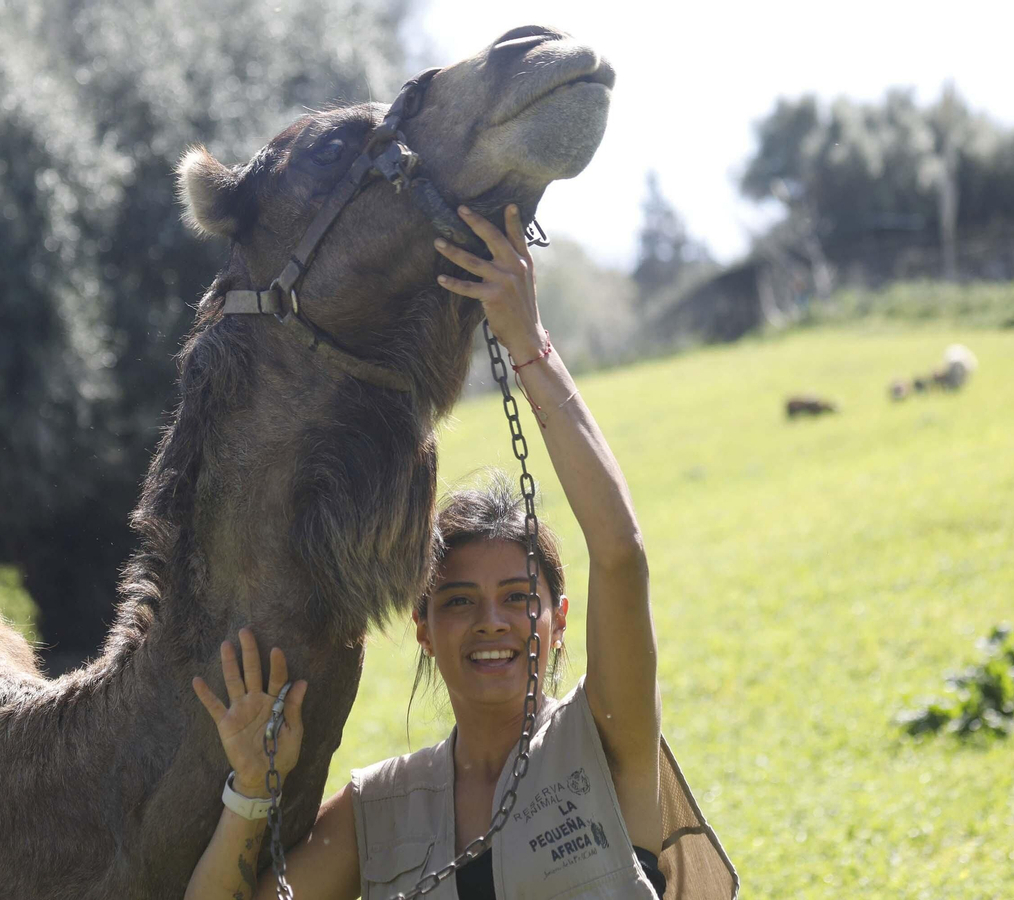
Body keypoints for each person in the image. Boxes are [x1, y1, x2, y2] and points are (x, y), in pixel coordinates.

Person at [185, 206, 736, 900]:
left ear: (559, 620)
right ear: (423, 629)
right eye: (458, 601)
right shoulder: (380, 807)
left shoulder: (606, 738)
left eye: (518, 597)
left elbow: (620, 553)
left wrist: (527, 343)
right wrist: (252, 791)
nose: (491, 622)